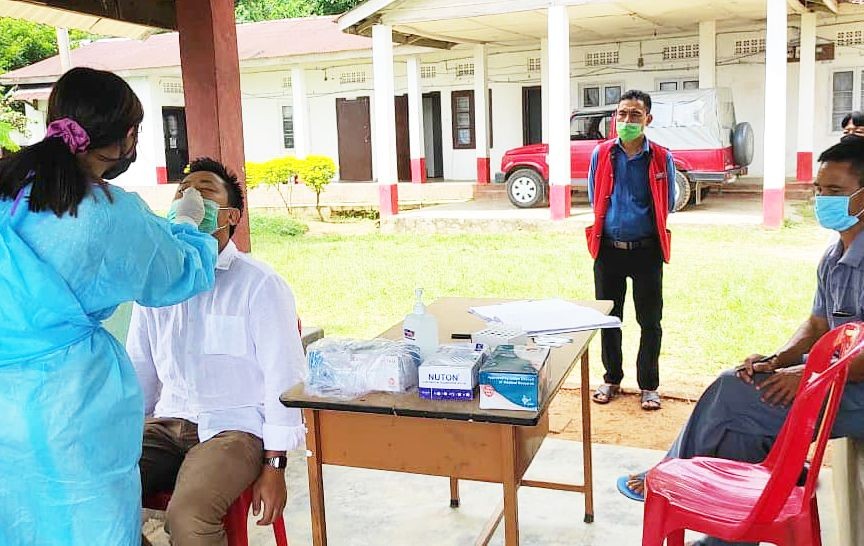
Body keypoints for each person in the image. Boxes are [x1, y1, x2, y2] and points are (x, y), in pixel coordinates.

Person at [0, 67, 217, 546]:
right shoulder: (105, 214)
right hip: (70, 410)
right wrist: (187, 222)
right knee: (86, 526)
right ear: (128, 136)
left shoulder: (9, 190)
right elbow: (178, 273)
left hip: (6, 418)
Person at [618, 137, 864, 546]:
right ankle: (725, 535)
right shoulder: (834, 256)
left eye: (835, 192)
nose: (824, 200)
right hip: (834, 382)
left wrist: (806, 374)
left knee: (733, 392)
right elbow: (818, 323)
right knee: (741, 423)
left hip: (856, 393)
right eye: (820, 190)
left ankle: (669, 475)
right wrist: (779, 358)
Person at [128, 158, 306, 546]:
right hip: (166, 423)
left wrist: (275, 466)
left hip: (233, 429)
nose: (190, 197)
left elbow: (285, 378)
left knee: (189, 516)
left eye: (205, 191)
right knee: (101, 491)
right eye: (182, 191)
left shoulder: (260, 285)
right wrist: (125, 434)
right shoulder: (157, 286)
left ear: (230, 215)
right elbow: (140, 369)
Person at [587, 89, 677, 411]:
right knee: (609, 319)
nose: (627, 120)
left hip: (647, 251)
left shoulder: (662, 158)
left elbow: (667, 201)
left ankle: (648, 386)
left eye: (635, 115)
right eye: (622, 114)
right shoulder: (602, 154)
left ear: (647, 120)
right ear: (616, 118)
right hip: (608, 250)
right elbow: (594, 195)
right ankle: (611, 378)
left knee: (650, 321)